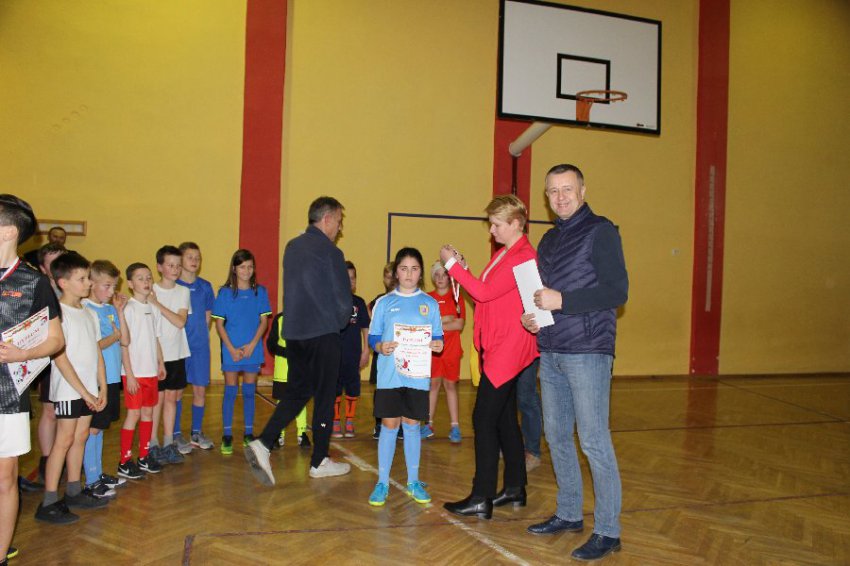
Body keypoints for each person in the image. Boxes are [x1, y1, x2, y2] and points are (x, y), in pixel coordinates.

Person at [521, 164, 628, 562]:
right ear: (546, 197)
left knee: (594, 441)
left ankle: (608, 531)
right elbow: (543, 296)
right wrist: (535, 317)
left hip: (588, 351)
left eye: (567, 189)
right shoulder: (549, 240)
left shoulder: (602, 231)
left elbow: (617, 291)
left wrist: (562, 301)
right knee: (556, 436)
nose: (560, 196)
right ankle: (569, 513)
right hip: (551, 349)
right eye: (553, 191)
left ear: (582, 190)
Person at [441, 195, 539, 520]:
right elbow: (487, 290)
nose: (492, 230)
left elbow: (482, 293)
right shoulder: (506, 253)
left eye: (496, 225)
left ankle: (481, 496)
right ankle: (514, 486)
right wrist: (465, 269)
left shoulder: (522, 256)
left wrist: (452, 266)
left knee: (483, 418)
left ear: (515, 224)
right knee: (504, 418)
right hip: (498, 346)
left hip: (507, 349)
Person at [244, 196, 352, 485]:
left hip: (294, 334)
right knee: (325, 397)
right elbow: (344, 300)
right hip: (323, 333)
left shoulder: (292, 247)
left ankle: (263, 443)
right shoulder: (332, 252)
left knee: (298, 392)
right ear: (326, 219)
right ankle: (319, 461)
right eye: (338, 221)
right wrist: (339, 322)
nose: (339, 228)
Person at [0, 195, 64, 561]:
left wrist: (22, 354)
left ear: (9, 231)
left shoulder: (33, 283)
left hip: (7, 396)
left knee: (5, 478)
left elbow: (56, 340)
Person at [366, 247, 443, 507]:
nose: (409, 274)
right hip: (390, 376)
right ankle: (382, 483)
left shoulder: (430, 304)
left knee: (411, 426)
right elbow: (373, 336)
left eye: (414, 269)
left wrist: (438, 345)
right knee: (389, 426)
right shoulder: (384, 303)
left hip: (417, 376)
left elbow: (438, 336)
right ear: (395, 273)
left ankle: (413, 481)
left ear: (421, 273)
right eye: (404, 268)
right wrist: (380, 347)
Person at [35, 252, 109, 524]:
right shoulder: (59, 315)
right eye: (82, 279)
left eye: (88, 277)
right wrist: (84, 392)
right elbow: (61, 359)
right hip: (69, 390)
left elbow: (97, 352)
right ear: (63, 283)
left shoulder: (88, 313)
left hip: (89, 389)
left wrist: (102, 388)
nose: (89, 283)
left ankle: (74, 490)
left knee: (80, 438)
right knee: (63, 441)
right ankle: (49, 501)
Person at [212, 249, 271, 455]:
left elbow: (264, 322)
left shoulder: (260, 292)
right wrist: (230, 348)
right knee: (230, 390)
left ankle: (248, 433)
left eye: (250, 267)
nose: (247, 271)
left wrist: (253, 344)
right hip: (232, 349)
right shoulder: (225, 293)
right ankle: (227, 435)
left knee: (248, 392)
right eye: (242, 267)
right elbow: (219, 325)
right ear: (234, 269)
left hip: (252, 349)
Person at [81, 260, 130, 496]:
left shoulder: (109, 310)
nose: (112, 292)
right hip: (96, 379)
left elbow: (125, 340)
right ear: (92, 283)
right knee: (92, 428)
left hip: (111, 377)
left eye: (114, 286)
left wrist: (119, 311)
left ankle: (98, 473)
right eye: (107, 286)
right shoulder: (85, 309)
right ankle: (91, 480)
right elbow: (92, 346)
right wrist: (114, 336)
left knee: (100, 427)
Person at [117, 263, 166, 479]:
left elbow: (155, 338)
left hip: (150, 372)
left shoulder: (153, 308)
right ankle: (124, 461)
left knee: (148, 413)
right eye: (140, 278)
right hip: (134, 374)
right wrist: (129, 375)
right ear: (130, 283)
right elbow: (124, 345)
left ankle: (144, 456)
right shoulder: (128, 309)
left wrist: (161, 363)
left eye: (148, 278)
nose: (146, 282)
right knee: (134, 414)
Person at [149, 245, 192, 465]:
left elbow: (180, 321)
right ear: (159, 267)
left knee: (171, 399)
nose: (175, 269)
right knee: (156, 400)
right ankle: (152, 443)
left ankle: (168, 443)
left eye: (178, 265)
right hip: (156, 355)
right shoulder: (150, 290)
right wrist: (152, 300)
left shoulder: (183, 292)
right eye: (170, 265)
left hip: (177, 353)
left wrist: (156, 304)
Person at [176, 242, 216, 450]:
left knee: (200, 389)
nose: (194, 261)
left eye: (197, 258)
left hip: (199, 347)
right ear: (180, 260)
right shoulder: (173, 286)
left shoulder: (205, 287)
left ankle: (196, 432)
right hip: (177, 348)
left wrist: (199, 338)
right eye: (190, 257)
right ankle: (175, 434)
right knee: (177, 392)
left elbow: (208, 318)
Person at [424, 261, 466, 443]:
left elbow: (459, 324)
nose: (440, 278)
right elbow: (426, 325)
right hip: (433, 350)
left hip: (452, 350)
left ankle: (455, 426)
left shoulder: (457, 298)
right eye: (437, 275)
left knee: (450, 386)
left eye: (444, 274)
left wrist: (439, 322)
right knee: (433, 385)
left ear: (450, 277)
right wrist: (447, 319)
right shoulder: (427, 298)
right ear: (433, 278)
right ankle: (428, 424)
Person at [333, 261, 370, 439]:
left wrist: (366, 350)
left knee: (353, 388)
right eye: (346, 278)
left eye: (353, 278)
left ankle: (349, 421)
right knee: (334, 389)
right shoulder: (331, 302)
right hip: (334, 356)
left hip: (353, 355)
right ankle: (334, 421)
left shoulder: (359, 303)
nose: (350, 281)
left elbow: (365, 328)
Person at [265, 312, 310, 448]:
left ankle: (302, 433)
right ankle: (279, 434)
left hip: (301, 368)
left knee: (300, 400)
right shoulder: (279, 319)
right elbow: (271, 344)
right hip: (282, 369)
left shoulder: (307, 317)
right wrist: (287, 352)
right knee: (282, 401)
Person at [368, 262, 395, 440]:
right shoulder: (380, 300)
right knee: (381, 390)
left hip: (399, 354)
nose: (390, 280)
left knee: (398, 390)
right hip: (382, 354)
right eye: (387, 277)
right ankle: (379, 423)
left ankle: (398, 424)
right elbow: (367, 310)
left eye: (393, 276)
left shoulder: (404, 299)